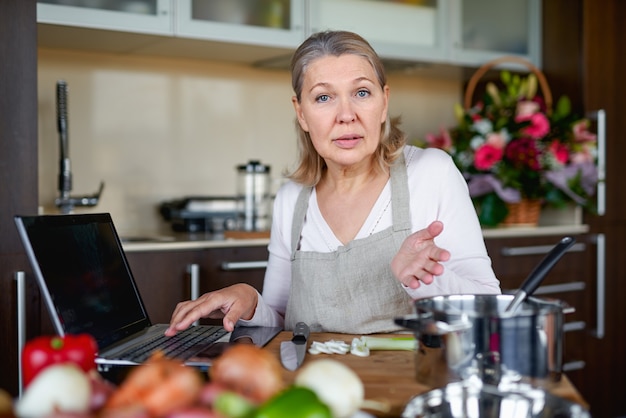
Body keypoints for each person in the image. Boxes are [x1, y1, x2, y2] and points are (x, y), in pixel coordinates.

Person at [166, 30, 500, 336]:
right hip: (315, 394)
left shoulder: (431, 173)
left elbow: (491, 307)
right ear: (301, 113)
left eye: (362, 92)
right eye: (324, 98)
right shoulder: (290, 200)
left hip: (411, 388)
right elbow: (282, 324)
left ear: (384, 102)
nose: (346, 114)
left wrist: (425, 279)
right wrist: (249, 301)